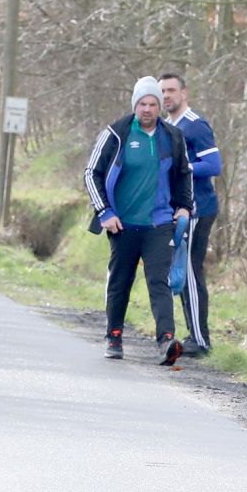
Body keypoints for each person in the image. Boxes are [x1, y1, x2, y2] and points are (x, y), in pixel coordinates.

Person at [84, 76, 192, 365]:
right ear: (135, 105)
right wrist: (105, 212)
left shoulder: (172, 136)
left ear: (159, 107)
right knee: (120, 281)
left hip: (159, 223)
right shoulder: (116, 134)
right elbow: (91, 173)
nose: (147, 109)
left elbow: (183, 173)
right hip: (123, 224)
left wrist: (184, 207)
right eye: (142, 104)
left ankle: (166, 341)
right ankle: (114, 335)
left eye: (153, 104)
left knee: (160, 281)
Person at [159, 73, 222, 357]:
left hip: (199, 209)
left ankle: (201, 339)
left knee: (191, 271)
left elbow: (214, 164)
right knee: (182, 272)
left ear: (184, 93)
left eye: (171, 90)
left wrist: (182, 167)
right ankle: (193, 332)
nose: (166, 96)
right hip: (179, 211)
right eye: (162, 91)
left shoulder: (195, 125)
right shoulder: (166, 126)